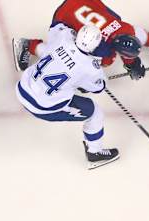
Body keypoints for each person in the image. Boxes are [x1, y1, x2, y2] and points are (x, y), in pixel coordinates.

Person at [14, 22, 119, 169]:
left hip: (22, 88)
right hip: (42, 107)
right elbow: (99, 87)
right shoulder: (90, 68)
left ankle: (27, 44)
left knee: (48, 51)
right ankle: (94, 152)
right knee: (95, 113)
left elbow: (57, 28)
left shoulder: (64, 36)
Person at [13, 0, 149, 80]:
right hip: (62, 18)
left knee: (117, 19)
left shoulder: (125, 29)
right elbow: (90, 66)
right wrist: (131, 65)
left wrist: (132, 64)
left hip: (83, 0)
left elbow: (131, 41)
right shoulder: (105, 54)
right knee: (61, 55)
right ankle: (28, 45)